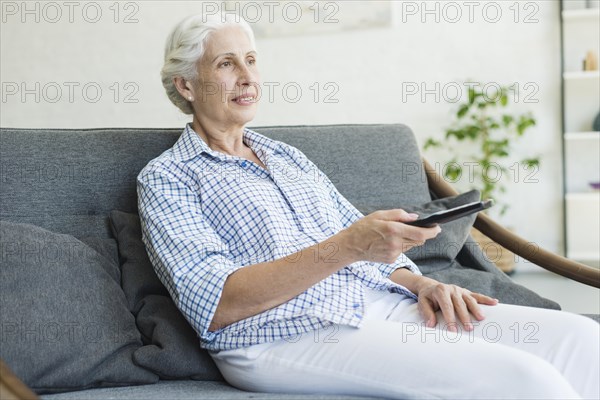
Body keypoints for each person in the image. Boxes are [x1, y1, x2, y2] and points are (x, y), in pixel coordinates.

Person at [137, 13, 599, 400]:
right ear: (187, 85)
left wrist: (420, 283)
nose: (247, 76)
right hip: (282, 332)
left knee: (583, 340)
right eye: (226, 63)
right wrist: (348, 247)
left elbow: (360, 240)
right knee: (526, 380)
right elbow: (215, 305)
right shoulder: (167, 177)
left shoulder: (284, 155)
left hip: (376, 302)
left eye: (252, 60)